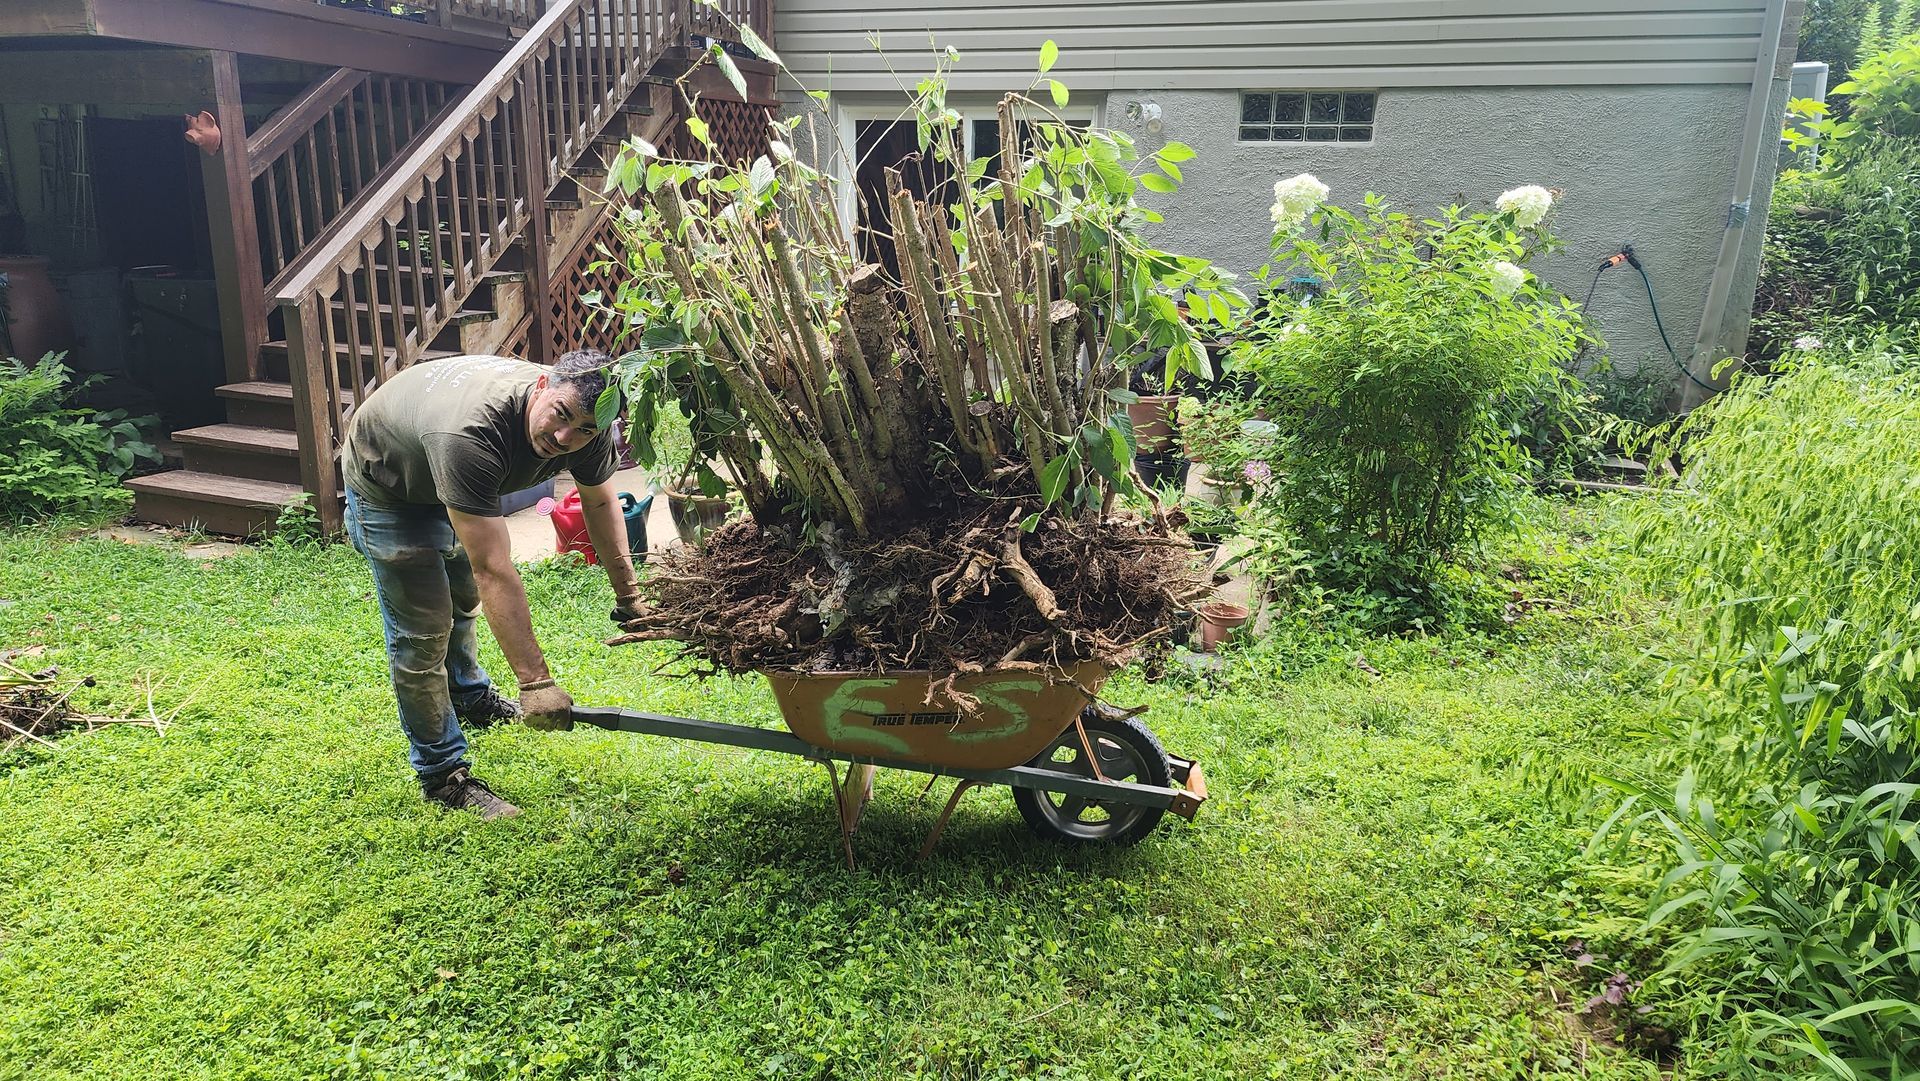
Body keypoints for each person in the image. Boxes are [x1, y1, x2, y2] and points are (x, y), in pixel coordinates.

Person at [341, 351, 641, 819]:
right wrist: (536, 684)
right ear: (542, 386)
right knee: (423, 633)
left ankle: (468, 695)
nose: (565, 439)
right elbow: (494, 567)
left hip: (453, 475)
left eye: (583, 429)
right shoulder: (470, 434)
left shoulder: (592, 425)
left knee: (463, 601)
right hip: (390, 483)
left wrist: (631, 597)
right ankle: (443, 775)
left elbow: (601, 506)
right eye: (560, 416)